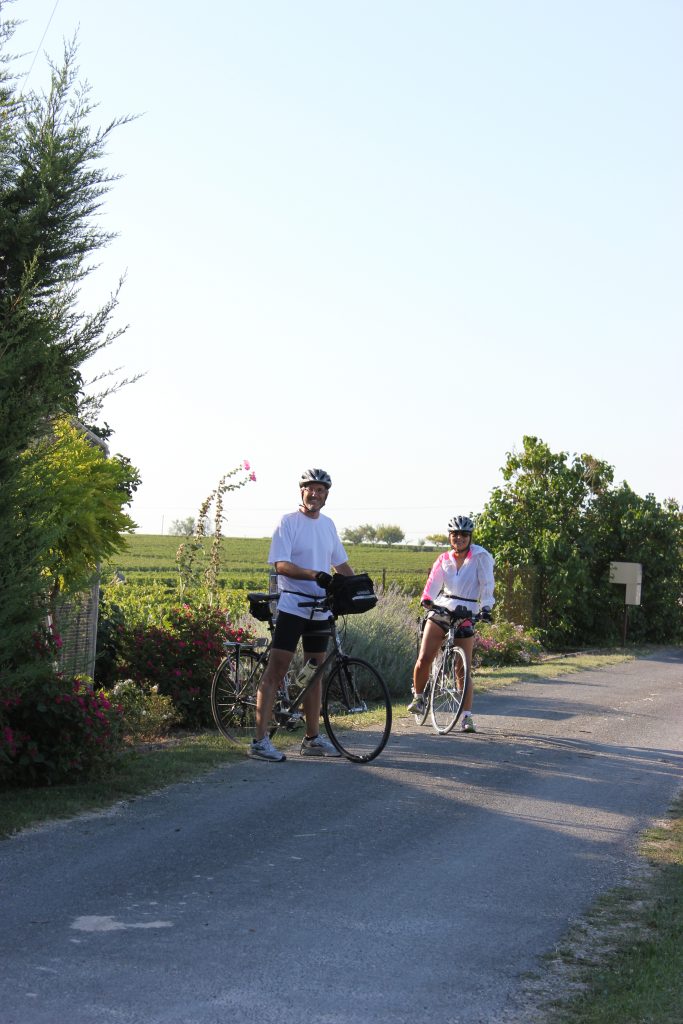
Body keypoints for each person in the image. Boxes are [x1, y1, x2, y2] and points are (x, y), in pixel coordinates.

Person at [249, 468, 355, 762]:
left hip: (319, 609)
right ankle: (259, 742)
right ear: (301, 492)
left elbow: (341, 564)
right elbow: (280, 565)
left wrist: (359, 586)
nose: (315, 494)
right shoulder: (288, 523)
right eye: (310, 489)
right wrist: (313, 575)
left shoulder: (329, 525)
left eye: (321, 490)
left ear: (326, 496)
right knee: (277, 670)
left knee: (314, 672)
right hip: (293, 605)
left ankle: (311, 738)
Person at [407, 515, 495, 733]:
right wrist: (427, 599)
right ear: (450, 536)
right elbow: (433, 583)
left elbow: (487, 583)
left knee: (462, 668)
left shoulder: (481, 556)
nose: (459, 538)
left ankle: (466, 717)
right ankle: (418, 697)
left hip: (466, 611)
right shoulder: (443, 558)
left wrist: (486, 607)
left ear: (470, 537)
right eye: (455, 534)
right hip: (442, 609)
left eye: (464, 534)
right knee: (425, 658)